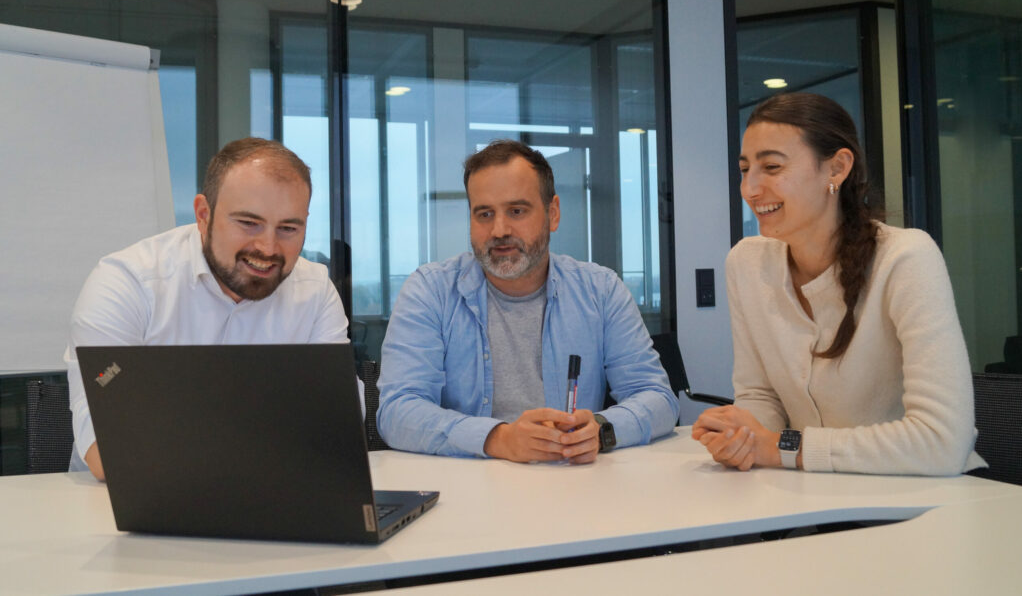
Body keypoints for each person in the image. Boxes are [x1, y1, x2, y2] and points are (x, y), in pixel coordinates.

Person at [692, 93, 985, 476]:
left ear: (836, 168)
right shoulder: (747, 263)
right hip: (815, 497)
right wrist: (741, 437)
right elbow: (761, 395)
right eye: (745, 169)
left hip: (924, 502)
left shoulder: (905, 258)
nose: (750, 188)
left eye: (772, 167)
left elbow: (942, 442)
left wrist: (781, 447)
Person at [65, 138, 358, 481]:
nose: (267, 247)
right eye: (248, 223)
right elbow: (108, 452)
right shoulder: (126, 285)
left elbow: (341, 423)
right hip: (123, 503)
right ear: (204, 215)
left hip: (276, 493)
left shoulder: (316, 290)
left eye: (289, 229)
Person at [377, 140, 679, 463]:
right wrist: (498, 438)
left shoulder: (601, 291)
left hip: (574, 488)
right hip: (469, 493)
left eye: (517, 211)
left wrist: (603, 429)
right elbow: (397, 411)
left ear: (553, 214)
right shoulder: (430, 292)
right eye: (484, 214)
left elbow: (659, 397)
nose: (499, 229)